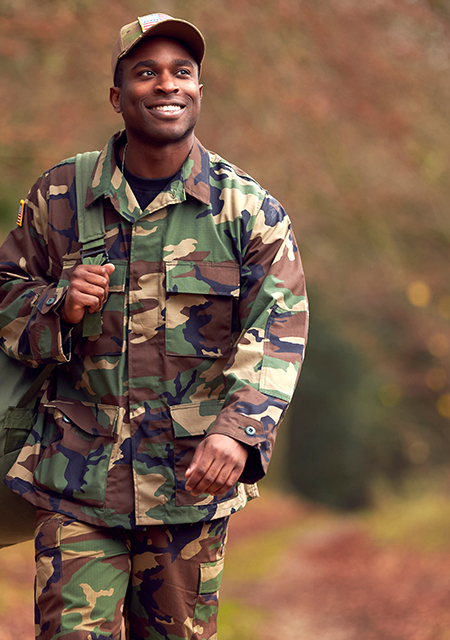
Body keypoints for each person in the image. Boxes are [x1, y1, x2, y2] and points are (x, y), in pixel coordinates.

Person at [0, 13, 308, 640]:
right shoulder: (61, 194)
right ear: (118, 96)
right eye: (146, 73)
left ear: (199, 90)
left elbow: (279, 330)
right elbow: (5, 291)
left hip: (189, 482)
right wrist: (56, 305)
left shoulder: (248, 211)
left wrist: (239, 432)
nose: (166, 84)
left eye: (181, 72)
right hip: (76, 476)